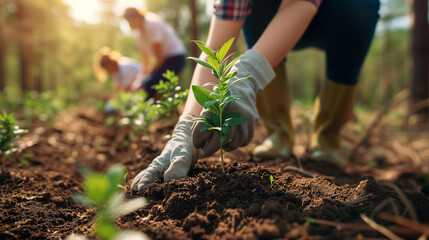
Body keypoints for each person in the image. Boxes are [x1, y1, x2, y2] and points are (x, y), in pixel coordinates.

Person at [131, 0, 380, 192]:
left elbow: (299, 4)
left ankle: (328, 138)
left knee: (360, 5)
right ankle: (278, 133)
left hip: (335, 15)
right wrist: (186, 126)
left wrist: (247, 76)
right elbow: (215, 48)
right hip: (273, 20)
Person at [123, 7, 186, 99]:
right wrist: (139, 80)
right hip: (165, 61)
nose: (130, 26)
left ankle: (152, 111)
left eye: (129, 22)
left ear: (136, 18)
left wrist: (145, 80)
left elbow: (159, 59)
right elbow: (146, 62)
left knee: (149, 85)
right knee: (147, 84)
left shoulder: (151, 24)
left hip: (175, 58)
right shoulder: (139, 34)